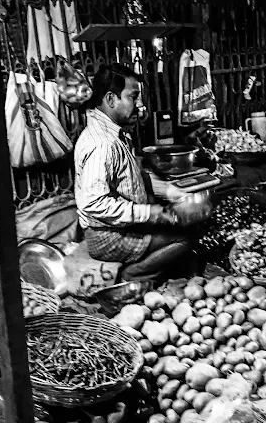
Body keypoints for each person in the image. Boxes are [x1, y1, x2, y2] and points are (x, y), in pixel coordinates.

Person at [74, 63, 194, 282]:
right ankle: (135, 275)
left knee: (177, 223)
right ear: (111, 99)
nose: (140, 105)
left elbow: (135, 174)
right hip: (109, 237)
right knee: (185, 238)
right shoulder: (102, 144)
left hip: (121, 227)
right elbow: (94, 203)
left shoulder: (114, 134)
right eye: (133, 97)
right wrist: (151, 213)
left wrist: (170, 191)